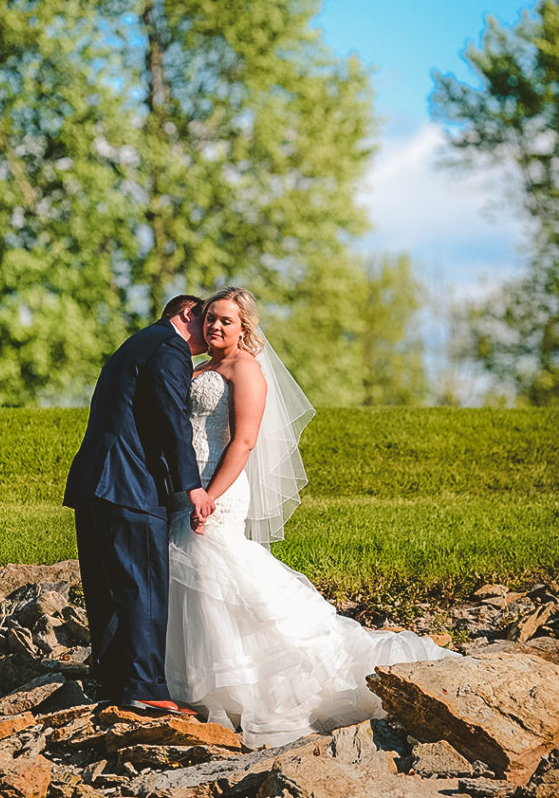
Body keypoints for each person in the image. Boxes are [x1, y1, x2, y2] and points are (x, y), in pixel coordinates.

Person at [165, 286, 455, 749]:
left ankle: (244, 688)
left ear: (244, 328)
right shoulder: (200, 368)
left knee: (218, 571)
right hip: (187, 489)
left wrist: (211, 496)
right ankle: (198, 686)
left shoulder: (247, 370)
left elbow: (243, 441)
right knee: (196, 576)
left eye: (225, 320)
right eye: (210, 319)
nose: (215, 326)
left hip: (218, 490)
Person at [63, 295, 215, 715]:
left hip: (96, 482)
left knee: (108, 587)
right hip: (131, 483)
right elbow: (172, 418)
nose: (213, 332)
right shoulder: (169, 347)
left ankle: (115, 683)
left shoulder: (136, 343)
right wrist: (192, 486)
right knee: (144, 585)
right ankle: (147, 687)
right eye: (209, 320)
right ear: (188, 314)